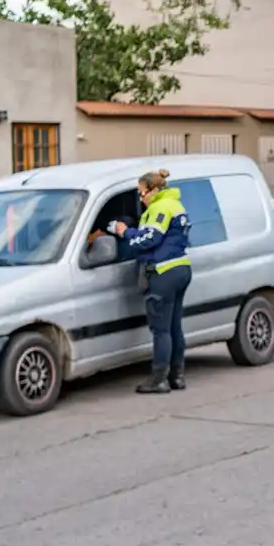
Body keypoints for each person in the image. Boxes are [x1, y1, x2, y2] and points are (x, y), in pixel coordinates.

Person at [108, 169, 192, 394]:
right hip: (181, 268)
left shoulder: (159, 208)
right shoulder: (175, 204)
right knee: (174, 326)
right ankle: (177, 376)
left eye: (142, 193)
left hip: (162, 272)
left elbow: (148, 239)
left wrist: (124, 232)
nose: (140, 198)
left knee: (161, 330)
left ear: (154, 191)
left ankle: (158, 379)